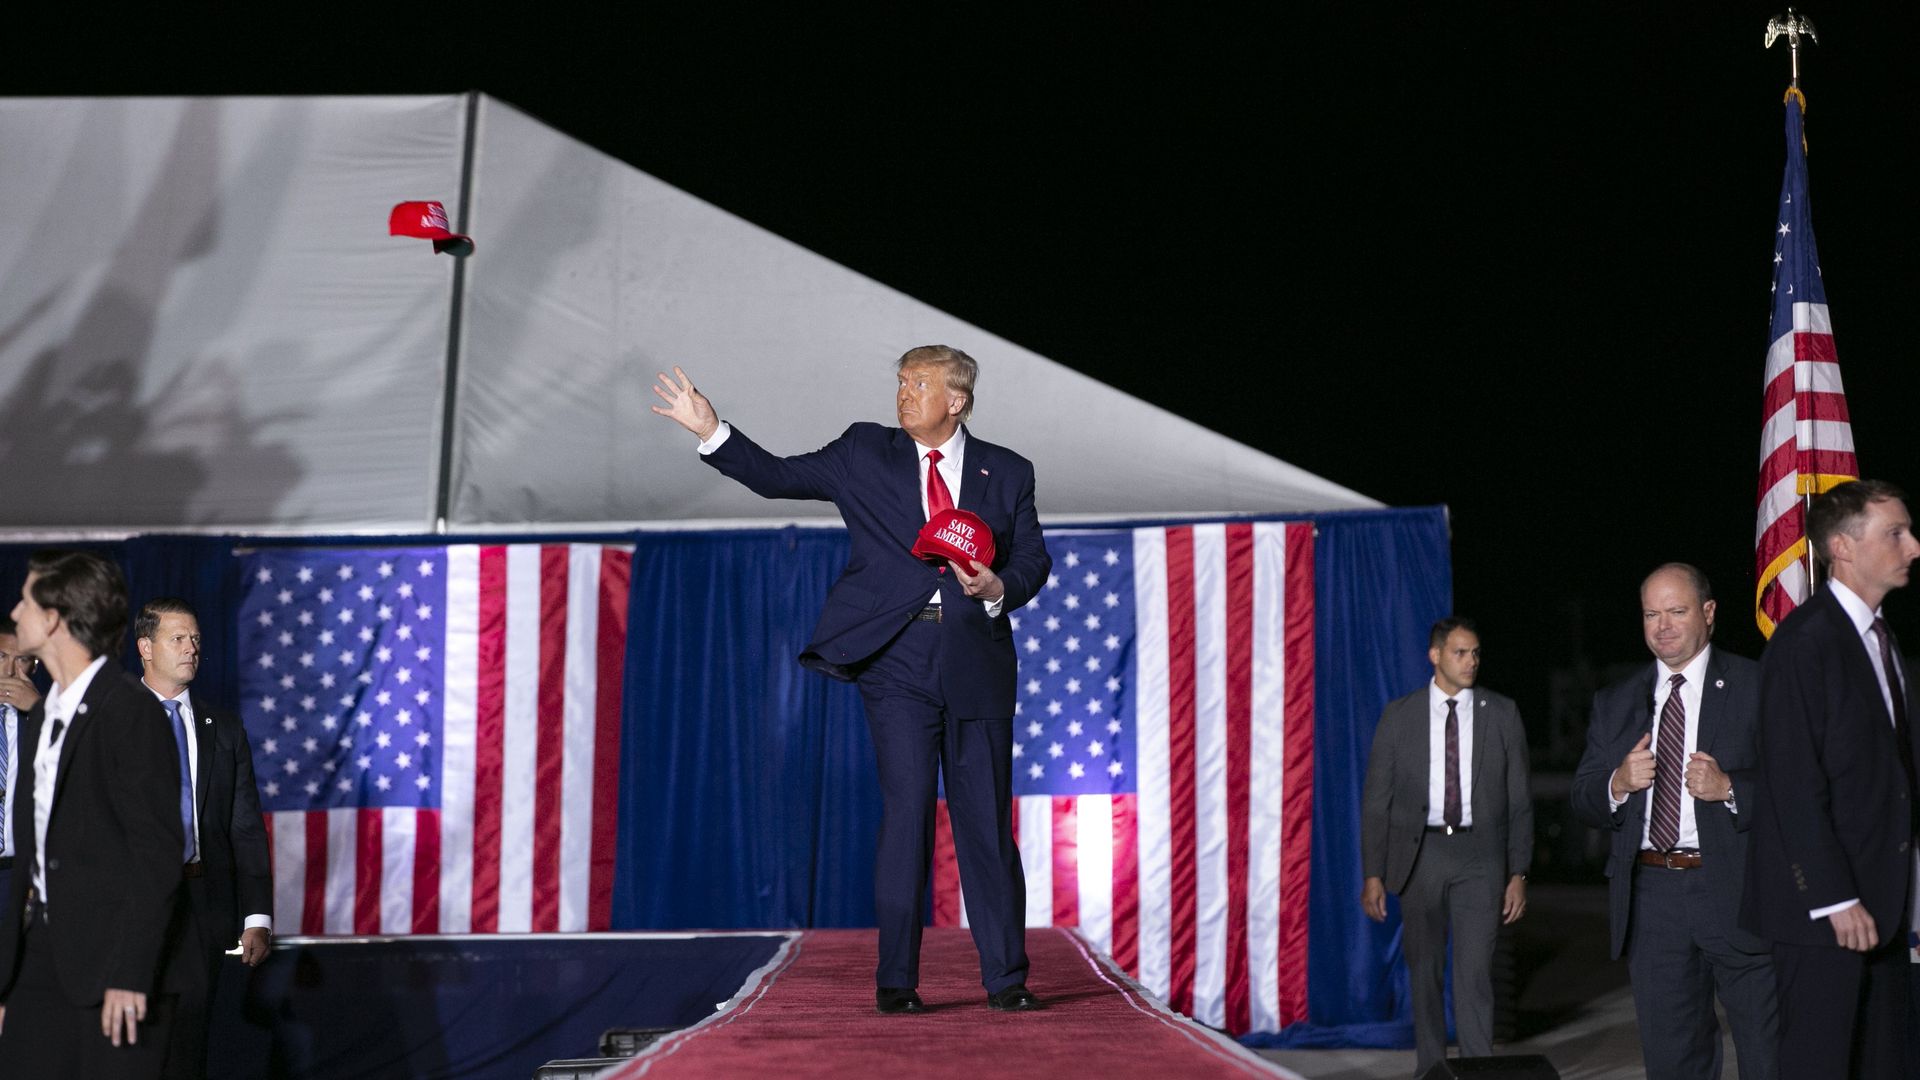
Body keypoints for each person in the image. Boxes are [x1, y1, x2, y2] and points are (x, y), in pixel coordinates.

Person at [651, 345, 1051, 1013]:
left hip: (976, 659)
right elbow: (776, 476)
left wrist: (998, 587)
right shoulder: (865, 450)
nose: (903, 394)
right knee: (907, 815)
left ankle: (1006, 981)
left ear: (955, 401)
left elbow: (1034, 557)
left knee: (986, 824)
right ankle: (897, 982)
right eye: (901, 382)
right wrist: (711, 431)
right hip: (896, 659)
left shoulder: (1007, 470)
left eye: (919, 384)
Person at [1741, 479, 1920, 1077]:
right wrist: (1835, 898)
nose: (1914, 546)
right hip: (1824, 916)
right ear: (1841, 547)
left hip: (1883, 904)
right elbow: (1792, 784)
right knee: (1819, 1065)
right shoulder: (1804, 643)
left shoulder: (1881, 638)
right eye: (1895, 533)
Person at [1571, 564, 1776, 1080]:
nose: (1662, 626)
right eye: (1651, 614)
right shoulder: (1616, 701)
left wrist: (1730, 788)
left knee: (1767, 1053)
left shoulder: (1757, 685)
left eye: (1676, 611)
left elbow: (1801, 785)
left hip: (1739, 890)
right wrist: (1617, 783)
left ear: (1708, 612)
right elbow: (1583, 796)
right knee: (1673, 1061)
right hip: (1653, 899)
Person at [0, 551, 184, 1078]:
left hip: (111, 966)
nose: (14, 612)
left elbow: (156, 853)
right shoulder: (43, 714)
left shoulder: (129, 710)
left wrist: (130, 972)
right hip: (39, 959)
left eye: (25, 600)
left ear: (53, 617)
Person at [1360, 617, 1532, 1076]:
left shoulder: (1502, 713)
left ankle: (1478, 1070)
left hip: (1481, 858)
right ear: (1435, 656)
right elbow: (1377, 801)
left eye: (1475, 653)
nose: (1471, 662)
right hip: (1422, 857)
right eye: (1460, 653)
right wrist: (1373, 873)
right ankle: (1431, 1070)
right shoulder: (1400, 716)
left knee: (1475, 974)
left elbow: (1519, 799)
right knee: (1425, 972)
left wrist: (1519, 871)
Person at [134, 597, 273, 1078]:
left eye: (195, 639)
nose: (191, 648)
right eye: (178, 638)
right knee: (133, 1043)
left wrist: (257, 916)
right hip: (133, 906)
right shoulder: (112, 720)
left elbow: (244, 827)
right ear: (145, 647)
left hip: (203, 906)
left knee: (189, 1043)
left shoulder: (225, 728)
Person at [0, 616, 44, 905]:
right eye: (1, 657)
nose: (9, 671)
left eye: (22, 659)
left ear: (34, 666)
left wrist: (41, 711)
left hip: (19, 874)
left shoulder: (43, 718)